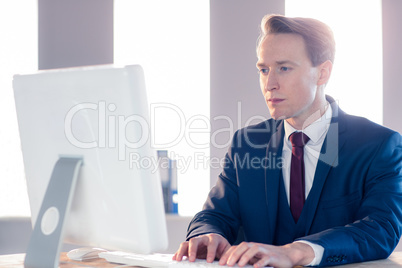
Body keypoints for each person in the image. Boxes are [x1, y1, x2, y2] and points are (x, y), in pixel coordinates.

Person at [173, 14, 402, 267]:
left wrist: (298, 251)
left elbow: (381, 229)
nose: (269, 84)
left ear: (322, 73)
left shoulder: (378, 145)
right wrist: (207, 234)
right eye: (263, 70)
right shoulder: (247, 144)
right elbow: (214, 215)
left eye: (284, 68)